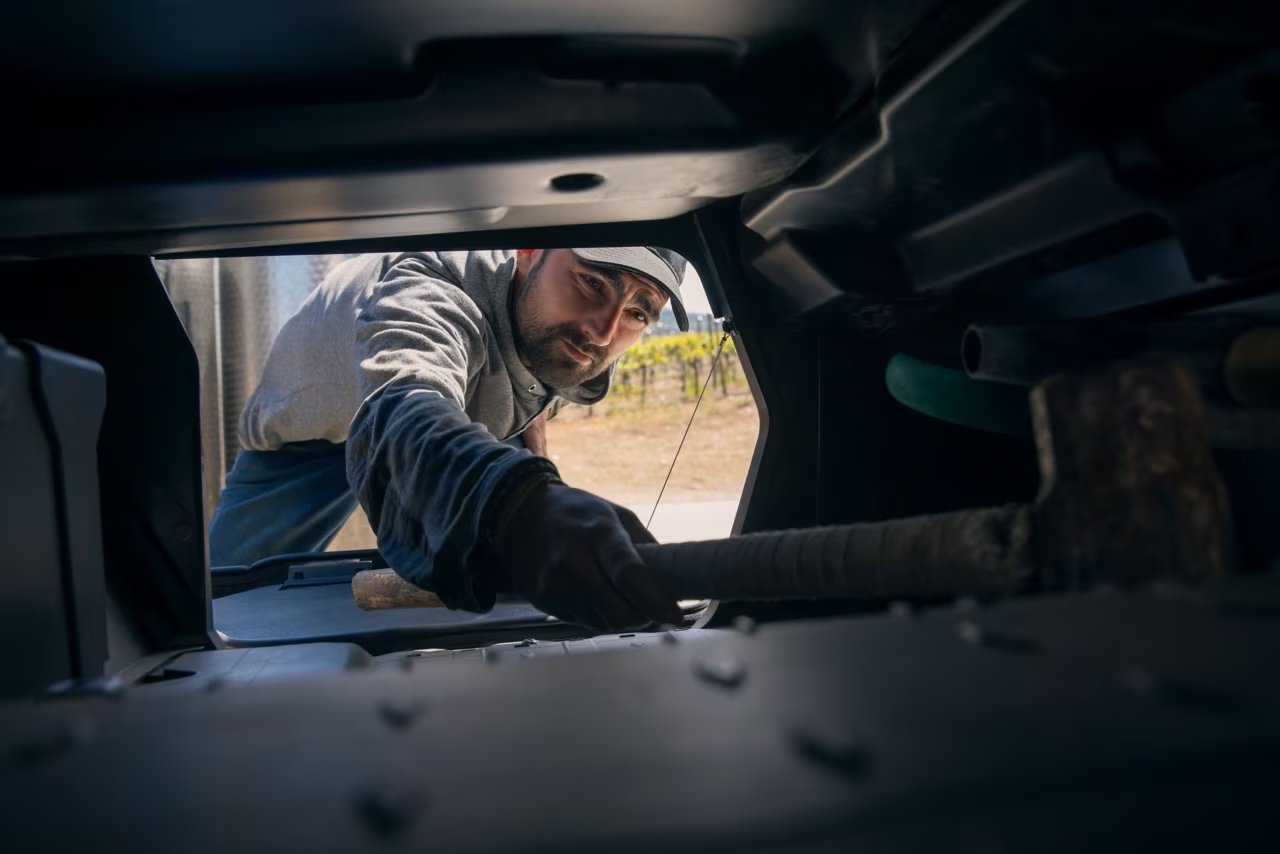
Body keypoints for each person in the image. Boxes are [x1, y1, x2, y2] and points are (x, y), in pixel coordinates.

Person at [209, 248, 689, 631]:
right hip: (312, 433)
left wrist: (542, 478)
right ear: (528, 251)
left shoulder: (569, 327)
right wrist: (516, 507)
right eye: (592, 281)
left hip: (441, 418)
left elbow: (530, 394)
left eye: (639, 312)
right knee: (221, 597)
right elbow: (404, 403)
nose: (603, 332)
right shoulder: (434, 285)